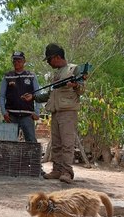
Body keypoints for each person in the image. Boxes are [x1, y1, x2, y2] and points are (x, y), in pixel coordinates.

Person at [22, 43, 85, 183]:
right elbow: (50, 95)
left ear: (57, 57)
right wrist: (33, 97)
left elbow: (82, 90)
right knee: (56, 143)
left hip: (68, 112)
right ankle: (57, 170)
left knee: (67, 143)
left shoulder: (74, 69)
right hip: (55, 111)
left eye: (49, 59)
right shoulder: (56, 74)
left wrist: (75, 85)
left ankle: (67, 172)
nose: (49, 63)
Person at [0, 51, 40, 142]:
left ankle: (31, 157)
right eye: (14, 60)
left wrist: (37, 112)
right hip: (11, 116)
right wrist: (4, 112)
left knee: (31, 142)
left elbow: (37, 94)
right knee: (9, 142)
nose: (16, 62)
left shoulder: (31, 76)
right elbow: (1, 96)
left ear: (24, 61)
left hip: (28, 116)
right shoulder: (7, 76)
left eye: (19, 60)